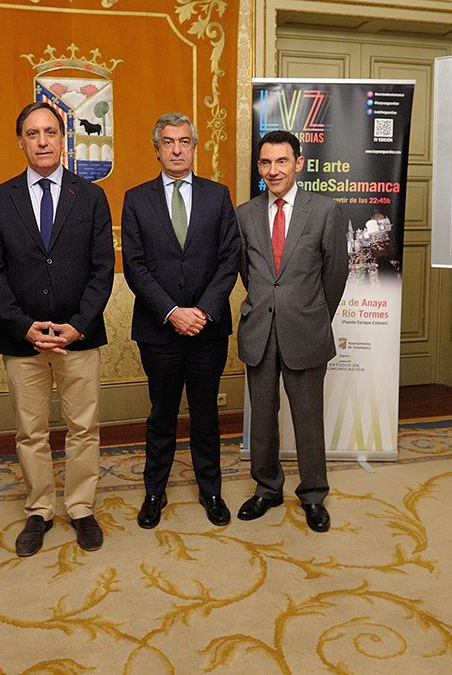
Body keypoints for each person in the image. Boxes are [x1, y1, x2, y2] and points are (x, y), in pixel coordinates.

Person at [0, 101, 115, 555]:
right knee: (30, 431)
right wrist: (24, 326)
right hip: (23, 340)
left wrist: (77, 325)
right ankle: (38, 509)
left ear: (63, 139)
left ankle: (80, 507)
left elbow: (102, 270)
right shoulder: (0, 199)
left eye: (50, 132)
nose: (42, 141)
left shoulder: (91, 196)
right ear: (20, 141)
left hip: (80, 336)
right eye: (33, 133)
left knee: (83, 428)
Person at [121, 112, 240, 529]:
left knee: (206, 414)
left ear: (194, 147)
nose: (176, 149)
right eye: (168, 142)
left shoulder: (217, 195)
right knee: (162, 414)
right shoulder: (136, 199)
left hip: (209, 329)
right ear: (156, 149)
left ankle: (211, 490)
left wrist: (203, 311)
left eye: (184, 141)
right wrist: (172, 312)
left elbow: (229, 259)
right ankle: (155, 491)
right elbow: (134, 266)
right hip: (159, 329)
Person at [234, 129, 348, 533]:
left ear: (298, 163)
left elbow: (335, 274)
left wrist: (312, 313)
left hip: (307, 329)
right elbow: (249, 274)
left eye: (282, 161)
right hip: (260, 330)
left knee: (307, 417)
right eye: (265, 162)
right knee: (262, 418)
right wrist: (272, 304)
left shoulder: (324, 211)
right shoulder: (244, 214)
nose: (273, 170)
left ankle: (313, 493)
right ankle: (267, 488)